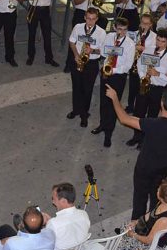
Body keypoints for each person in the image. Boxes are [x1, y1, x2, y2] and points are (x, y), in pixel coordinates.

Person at [105, 76, 167, 219]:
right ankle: (153, 219)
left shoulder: (153, 124)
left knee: (140, 197)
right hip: (164, 165)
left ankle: (137, 225)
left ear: (162, 103)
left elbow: (124, 118)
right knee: (156, 196)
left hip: (145, 167)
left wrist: (114, 98)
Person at [111, 180, 167, 250]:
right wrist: (136, 222)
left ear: (163, 198)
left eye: (158, 190)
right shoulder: (165, 203)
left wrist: (133, 235)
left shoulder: (165, 220)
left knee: (125, 243)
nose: (157, 190)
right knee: (126, 226)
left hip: (157, 248)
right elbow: (150, 214)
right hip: (149, 232)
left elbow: (148, 241)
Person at [92, 17, 135, 147]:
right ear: (115, 28)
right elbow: (104, 51)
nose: (122, 32)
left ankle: (109, 133)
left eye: (125, 30)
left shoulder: (129, 44)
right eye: (119, 29)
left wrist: (114, 70)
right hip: (106, 72)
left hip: (118, 76)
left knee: (113, 105)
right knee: (103, 102)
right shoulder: (109, 36)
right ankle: (102, 125)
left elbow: (127, 66)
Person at [129, 28, 167, 146]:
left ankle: (145, 140)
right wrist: (142, 77)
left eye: (163, 42)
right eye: (158, 40)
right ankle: (136, 136)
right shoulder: (149, 49)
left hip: (157, 89)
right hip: (144, 84)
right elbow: (140, 63)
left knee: (152, 115)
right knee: (138, 112)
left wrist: (158, 74)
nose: (159, 44)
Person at [67, 8, 106, 129]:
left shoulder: (101, 32)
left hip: (91, 63)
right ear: (85, 17)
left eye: (93, 19)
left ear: (97, 19)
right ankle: (76, 110)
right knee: (76, 87)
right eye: (88, 18)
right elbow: (72, 42)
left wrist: (92, 50)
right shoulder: (78, 27)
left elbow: (103, 50)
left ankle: (84, 115)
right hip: (78, 60)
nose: (90, 22)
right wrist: (76, 55)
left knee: (87, 90)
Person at [26, 0, 59, 67]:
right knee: (32, 34)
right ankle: (31, 56)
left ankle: (49, 58)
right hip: (34, 8)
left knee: (47, 35)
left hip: (45, 10)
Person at [43, 183, 91, 250]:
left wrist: (45, 226)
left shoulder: (53, 224)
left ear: (63, 201)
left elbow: (46, 245)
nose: (53, 201)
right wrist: (51, 222)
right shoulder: (84, 214)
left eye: (53, 199)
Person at [127, 14, 158, 113]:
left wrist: (143, 49)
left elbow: (155, 52)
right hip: (134, 64)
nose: (144, 26)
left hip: (145, 66)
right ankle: (130, 105)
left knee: (142, 89)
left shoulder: (155, 37)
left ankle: (139, 108)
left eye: (147, 24)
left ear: (151, 25)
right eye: (142, 23)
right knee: (132, 87)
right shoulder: (134, 34)